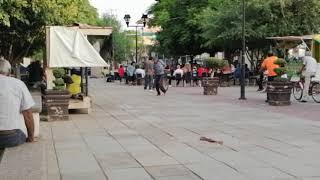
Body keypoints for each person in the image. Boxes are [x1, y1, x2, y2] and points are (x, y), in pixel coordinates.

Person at [0, 58, 35, 148]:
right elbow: (27, 113)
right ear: (8, 71)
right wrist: (31, 137)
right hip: (10, 137)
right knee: (20, 134)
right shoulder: (18, 84)